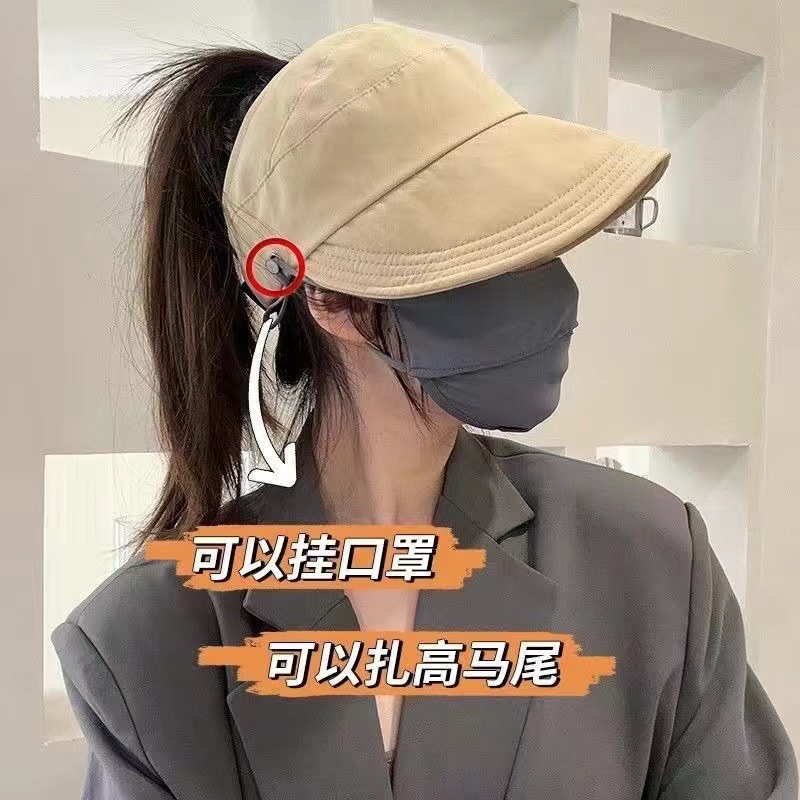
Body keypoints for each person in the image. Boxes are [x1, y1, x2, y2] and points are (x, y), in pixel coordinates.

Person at [52, 21, 797, 800]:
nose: (554, 293)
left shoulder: (651, 565)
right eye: (488, 247)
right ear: (331, 299)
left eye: (540, 240)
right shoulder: (144, 647)